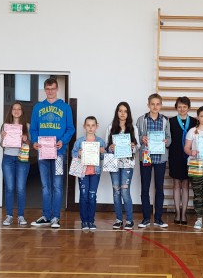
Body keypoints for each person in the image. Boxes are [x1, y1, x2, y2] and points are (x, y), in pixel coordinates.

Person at [29, 78, 75, 228]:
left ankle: (56, 217)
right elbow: (33, 129)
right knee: (45, 186)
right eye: (48, 89)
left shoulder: (65, 107)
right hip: (43, 152)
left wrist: (63, 141)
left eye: (53, 89)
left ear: (57, 89)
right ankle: (46, 216)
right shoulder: (38, 107)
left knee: (57, 185)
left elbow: (71, 129)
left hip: (59, 152)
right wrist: (34, 141)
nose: (50, 91)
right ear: (44, 90)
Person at [136, 93, 172, 228]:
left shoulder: (165, 120)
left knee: (159, 188)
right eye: (152, 104)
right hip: (146, 157)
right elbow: (136, 137)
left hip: (160, 158)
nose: (155, 106)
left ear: (161, 105)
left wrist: (166, 141)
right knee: (145, 188)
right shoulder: (141, 119)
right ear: (148, 105)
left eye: (157, 104)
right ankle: (146, 218)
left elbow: (169, 138)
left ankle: (158, 218)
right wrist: (142, 139)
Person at [106, 102, 138, 230]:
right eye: (120, 111)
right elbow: (107, 146)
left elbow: (137, 147)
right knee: (116, 191)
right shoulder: (110, 127)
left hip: (127, 163)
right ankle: (119, 219)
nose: (123, 113)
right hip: (114, 163)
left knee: (125, 191)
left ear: (128, 113)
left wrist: (133, 146)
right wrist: (110, 147)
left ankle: (129, 220)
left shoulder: (133, 128)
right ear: (117, 112)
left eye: (125, 111)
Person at [71, 116, 106, 230]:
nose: (90, 128)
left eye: (93, 125)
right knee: (84, 196)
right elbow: (73, 153)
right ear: (84, 126)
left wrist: (102, 152)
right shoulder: (80, 141)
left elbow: (103, 157)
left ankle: (91, 221)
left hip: (95, 172)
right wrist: (78, 153)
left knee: (92, 196)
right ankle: (84, 221)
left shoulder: (100, 141)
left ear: (96, 126)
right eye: (88, 125)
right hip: (83, 172)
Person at [0, 102, 30, 226]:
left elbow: (31, 144)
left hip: (22, 159)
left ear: (22, 112)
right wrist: (3, 137)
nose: (16, 111)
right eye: (14, 109)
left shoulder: (27, 126)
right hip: (8, 158)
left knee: (21, 188)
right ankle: (9, 216)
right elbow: (2, 145)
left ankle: (21, 216)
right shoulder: (5, 126)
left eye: (19, 109)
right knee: (9, 188)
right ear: (11, 111)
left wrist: (25, 140)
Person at [168, 96, 193, 225]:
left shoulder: (194, 121)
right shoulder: (171, 121)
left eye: (184, 107)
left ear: (188, 108)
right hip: (175, 156)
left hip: (189, 157)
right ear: (176, 108)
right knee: (176, 184)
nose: (182, 109)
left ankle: (184, 213)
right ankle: (177, 212)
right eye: (179, 107)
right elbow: (167, 138)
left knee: (186, 185)